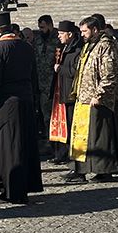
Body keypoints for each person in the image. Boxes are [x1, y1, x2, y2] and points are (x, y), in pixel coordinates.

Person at [0, 12, 44, 204]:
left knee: (7, 148)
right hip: (26, 100)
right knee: (23, 145)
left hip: (6, 103)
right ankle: (26, 185)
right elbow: (34, 76)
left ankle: (8, 190)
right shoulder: (27, 47)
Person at [65, 16, 118, 182]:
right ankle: (79, 169)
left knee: (100, 137)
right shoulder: (89, 45)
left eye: (85, 31)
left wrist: (100, 94)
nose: (82, 34)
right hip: (83, 97)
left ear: (95, 30)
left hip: (98, 99)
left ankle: (103, 170)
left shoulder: (107, 45)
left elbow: (110, 73)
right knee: (82, 136)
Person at [50, 20, 83, 163]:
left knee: (71, 125)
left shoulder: (77, 49)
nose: (59, 36)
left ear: (69, 34)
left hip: (70, 93)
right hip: (60, 92)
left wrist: (60, 69)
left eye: (61, 33)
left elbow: (76, 71)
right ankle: (61, 154)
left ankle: (72, 155)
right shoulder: (63, 47)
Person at [33, 16, 59, 144]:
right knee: (45, 116)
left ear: (50, 25)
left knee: (56, 116)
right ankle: (50, 143)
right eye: (39, 27)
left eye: (42, 27)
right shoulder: (38, 40)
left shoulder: (58, 39)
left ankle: (57, 144)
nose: (40, 30)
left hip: (54, 84)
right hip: (41, 84)